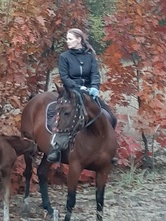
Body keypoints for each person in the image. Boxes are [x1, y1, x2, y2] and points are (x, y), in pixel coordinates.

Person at [47, 28, 117, 163]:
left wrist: (95, 87)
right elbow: (65, 77)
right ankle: (55, 149)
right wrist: (79, 87)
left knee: (111, 117)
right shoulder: (64, 57)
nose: (67, 41)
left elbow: (95, 74)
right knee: (62, 118)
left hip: (90, 94)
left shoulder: (90, 55)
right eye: (67, 39)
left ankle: (110, 150)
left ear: (79, 40)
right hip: (71, 92)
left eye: (70, 39)